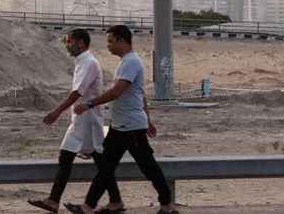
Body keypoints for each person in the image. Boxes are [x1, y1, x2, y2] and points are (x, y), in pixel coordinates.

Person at [64, 25, 176, 214]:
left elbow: (116, 91)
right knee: (105, 168)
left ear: (121, 41)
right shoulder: (126, 62)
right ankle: (93, 206)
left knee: (149, 168)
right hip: (120, 127)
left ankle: (167, 206)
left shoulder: (130, 62)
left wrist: (89, 103)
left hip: (131, 128)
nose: (108, 45)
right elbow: (140, 94)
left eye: (110, 41)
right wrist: (148, 120)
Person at [28, 29, 125, 214]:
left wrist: (57, 111)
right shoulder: (83, 62)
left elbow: (77, 93)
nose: (66, 45)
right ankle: (54, 201)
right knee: (69, 158)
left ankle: (115, 201)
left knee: (98, 161)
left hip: (88, 120)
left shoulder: (89, 63)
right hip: (81, 119)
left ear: (80, 43)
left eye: (68, 41)